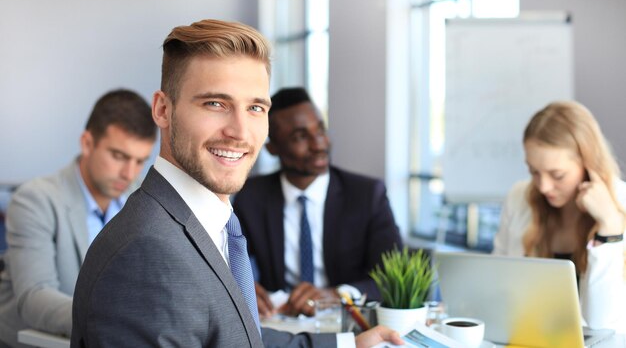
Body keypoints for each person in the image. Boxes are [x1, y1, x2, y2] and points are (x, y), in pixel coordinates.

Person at [71, 19, 403, 348]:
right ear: (162, 110)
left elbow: (239, 336)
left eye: (256, 107)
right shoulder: (147, 252)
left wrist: (349, 345)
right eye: (215, 103)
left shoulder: (208, 222)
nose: (240, 132)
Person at [0, 89, 157, 347]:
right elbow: (34, 297)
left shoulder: (143, 201)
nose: (129, 173)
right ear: (87, 143)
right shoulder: (35, 200)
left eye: (140, 161)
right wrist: (115, 321)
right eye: (119, 156)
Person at [233, 87, 403, 318]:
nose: (319, 144)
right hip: (282, 322)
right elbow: (231, 259)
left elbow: (394, 276)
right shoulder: (251, 195)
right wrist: (243, 285)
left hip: (345, 320)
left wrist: (338, 295)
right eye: (301, 136)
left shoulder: (366, 194)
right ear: (272, 148)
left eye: (320, 130)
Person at [493, 101, 626, 333]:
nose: (543, 186)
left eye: (558, 175)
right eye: (534, 171)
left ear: (588, 164)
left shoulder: (620, 203)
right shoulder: (519, 197)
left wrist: (610, 226)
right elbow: (497, 282)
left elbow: (601, 323)